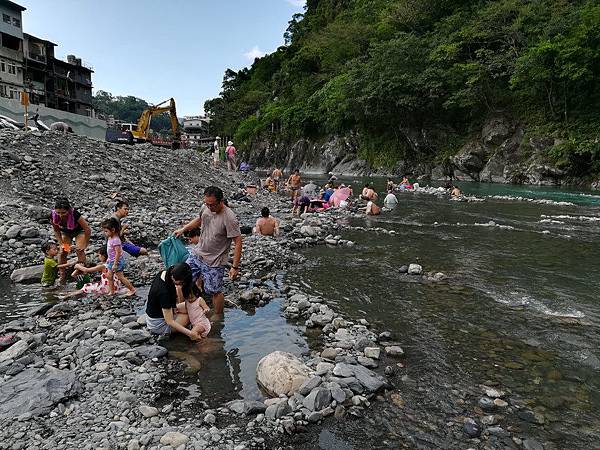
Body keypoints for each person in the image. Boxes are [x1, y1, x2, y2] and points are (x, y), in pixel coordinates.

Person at [173, 186, 242, 316]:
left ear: (221, 201)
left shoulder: (229, 218)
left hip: (215, 261)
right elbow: (199, 220)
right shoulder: (206, 207)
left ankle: (218, 316)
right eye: (207, 203)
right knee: (181, 280)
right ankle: (184, 310)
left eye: (212, 205)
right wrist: (184, 229)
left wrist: (234, 267)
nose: (209, 207)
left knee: (214, 291)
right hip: (198, 253)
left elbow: (238, 242)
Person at [145, 263, 202, 340]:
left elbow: (172, 290)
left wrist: (174, 307)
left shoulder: (164, 274)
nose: (182, 284)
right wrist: (191, 334)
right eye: (181, 282)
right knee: (189, 317)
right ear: (174, 278)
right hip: (157, 325)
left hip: (163, 311)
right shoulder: (163, 292)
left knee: (196, 306)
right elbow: (169, 321)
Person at [50, 197, 91, 282]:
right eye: (58, 212)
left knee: (79, 250)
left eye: (63, 213)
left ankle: (81, 272)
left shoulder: (75, 214)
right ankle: (62, 275)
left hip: (80, 231)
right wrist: (61, 244)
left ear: (68, 210)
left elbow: (87, 229)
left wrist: (85, 244)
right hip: (66, 233)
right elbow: (56, 230)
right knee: (63, 251)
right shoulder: (53, 215)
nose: (60, 215)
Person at [60, 247, 125, 298]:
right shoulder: (113, 264)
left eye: (99, 255)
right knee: (91, 285)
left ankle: (67, 295)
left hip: (107, 287)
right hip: (116, 286)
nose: (98, 257)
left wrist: (78, 266)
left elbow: (86, 270)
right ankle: (68, 293)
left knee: (86, 287)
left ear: (103, 256)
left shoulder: (103, 266)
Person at [101, 218, 136, 296]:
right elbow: (110, 251)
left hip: (117, 261)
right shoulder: (110, 238)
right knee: (109, 276)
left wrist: (115, 264)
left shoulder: (116, 240)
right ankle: (112, 291)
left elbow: (118, 252)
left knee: (120, 277)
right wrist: (109, 260)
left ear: (113, 230)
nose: (104, 233)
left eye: (106, 231)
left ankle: (132, 289)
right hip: (111, 260)